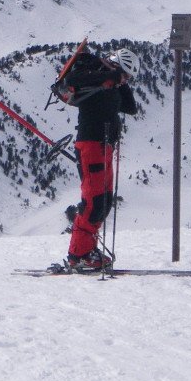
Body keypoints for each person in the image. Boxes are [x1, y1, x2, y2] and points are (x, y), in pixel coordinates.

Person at [52, 45, 139, 271]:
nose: (125, 80)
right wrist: (110, 76)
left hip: (104, 146)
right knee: (93, 202)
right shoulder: (91, 71)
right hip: (90, 145)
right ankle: (78, 255)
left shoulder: (110, 84)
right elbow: (73, 79)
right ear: (116, 65)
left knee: (104, 201)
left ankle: (87, 251)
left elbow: (131, 108)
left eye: (129, 77)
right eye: (126, 74)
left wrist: (119, 81)